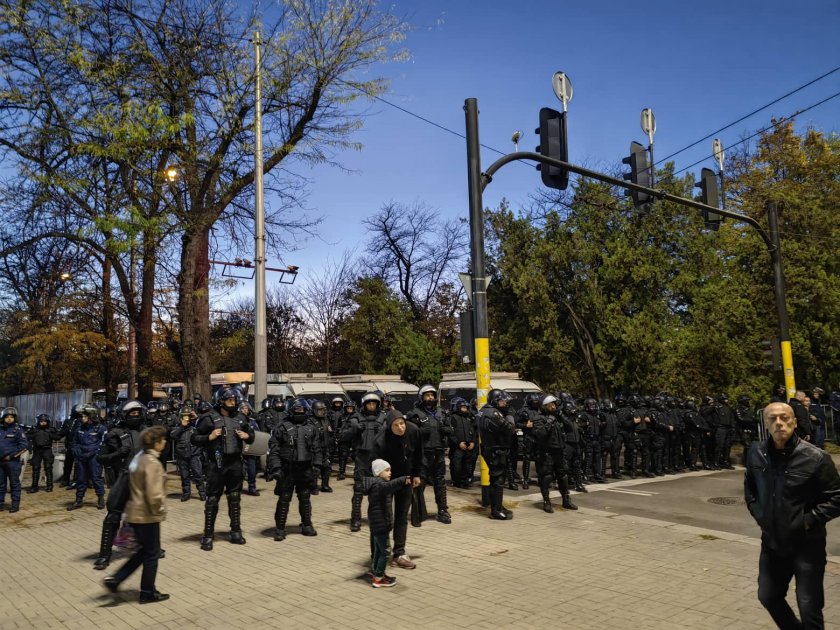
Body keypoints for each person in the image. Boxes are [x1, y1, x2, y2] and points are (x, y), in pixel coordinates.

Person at [744, 402, 840, 628]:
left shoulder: (816, 458)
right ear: (765, 423)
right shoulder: (756, 452)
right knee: (768, 596)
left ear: (794, 422)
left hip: (807, 545)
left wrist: (807, 521)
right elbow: (751, 488)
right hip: (772, 543)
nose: (779, 423)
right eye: (772, 419)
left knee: (809, 606)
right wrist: (761, 516)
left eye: (784, 418)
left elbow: (837, 497)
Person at [103, 425, 170, 604]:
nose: (165, 443)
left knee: (143, 551)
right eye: (163, 440)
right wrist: (160, 511)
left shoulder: (138, 458)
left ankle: (116, 579)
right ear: (156, 443)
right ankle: (147, 592)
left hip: (134, 512)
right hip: (147, 515)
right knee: (152, 554)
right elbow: (154, 494)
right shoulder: (153, 463)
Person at [191, 387, 255, 551]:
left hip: (235, 463)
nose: (233, 403)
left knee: (234, 498)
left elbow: (252, 435)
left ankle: (235, 532)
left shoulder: (241, 418)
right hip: (216, 464)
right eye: (230, 400)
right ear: (221, 401)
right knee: (212, 499)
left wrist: (247, 436)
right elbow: (194, 438)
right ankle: (207, 535)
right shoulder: (208, 419)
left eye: (235, 400)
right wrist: (209, 437)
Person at [93, 400, 146, 570]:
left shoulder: (146, 432)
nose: (136, 416)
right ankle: (104, 555)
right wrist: (118, 454)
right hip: (122, 479)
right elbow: (100, 457)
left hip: (143, 480)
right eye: (132, 413)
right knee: (113, 517)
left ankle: (150, 547)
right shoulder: (114, 434)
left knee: (147, 517)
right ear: (124, 415)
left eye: (138, 413)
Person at [370, 409, 423, 570]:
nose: (401, 428)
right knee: (384, 518)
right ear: (389, 426)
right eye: (396, 425)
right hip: (386, 481)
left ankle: (399, 553)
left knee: (402, 516)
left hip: (405, 479)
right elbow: (374, 465)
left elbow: (419, 454)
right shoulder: (381, 439)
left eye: (402, 423)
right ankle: (378, 553)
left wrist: (417, 475)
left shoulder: (413, 430)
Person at [405, 385, 453, 525]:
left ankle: (442, 510)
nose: (430, 397)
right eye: (427, 395)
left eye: (432, 395)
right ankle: (418, 512)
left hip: (438, 452)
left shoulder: (441, 412)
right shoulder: (414, 413)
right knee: (420, 483)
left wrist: (447, 430)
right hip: (422, 454)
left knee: (440, 483)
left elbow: (451, 428)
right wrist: (419, 431)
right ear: (421, 397)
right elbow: (408, 433)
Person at [343, 392, 386, 532]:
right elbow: (342, 435)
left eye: (374, 404)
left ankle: (378, 520)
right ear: (365, 405)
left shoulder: (383, 418)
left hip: (378, 459)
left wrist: (384, 431)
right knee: (358, 491)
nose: (372, 406)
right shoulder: (356, 417)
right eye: (369, 404)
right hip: (361, 457)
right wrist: (353, 429)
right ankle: (355, 519)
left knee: (378, 491)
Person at [366, 459, 410, 588]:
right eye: (387, 470)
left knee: (379, 552)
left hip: (377, 524)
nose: (390, 473)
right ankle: (378, 578)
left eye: (390, 470)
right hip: (380, 525)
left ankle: (378, 573)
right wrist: (403, 479)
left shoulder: (377, 484)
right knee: (385, 552)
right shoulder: (379, 485)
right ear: (379, 472)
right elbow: (390, 486)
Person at [533, 396, 578, 513]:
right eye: (550, 405)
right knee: (547, 476)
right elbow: (540, 433)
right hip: (547, 452)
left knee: (563, 476)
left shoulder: (557, 417)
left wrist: (561, 416)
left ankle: (566, 500)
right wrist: (549, 421)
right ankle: (546, 502)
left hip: (559, 450)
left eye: (554, 404)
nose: (553, 406)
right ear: (544, 406)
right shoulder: (538, 418)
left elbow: (570, 428)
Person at [477, 389, 516, 520]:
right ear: (495, 400)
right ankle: (496, 511)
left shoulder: (483, 410)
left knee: (495, 479)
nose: (505, 404)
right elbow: (510, 428)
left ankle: (497, 505)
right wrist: (509, 415)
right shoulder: (493, 413)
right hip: (496, 450)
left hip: (490, 448)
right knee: (498, 481)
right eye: (502, 401)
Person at [67, 405, 107, 511]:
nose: (82, 418)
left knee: (96, 478)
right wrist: (76, 451)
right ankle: (78, 500)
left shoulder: (100, 428)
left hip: (94, 457)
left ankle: (100, 499)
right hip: (81, 457)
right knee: (81, 479)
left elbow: (104, 443)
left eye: (84, 416)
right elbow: (74, 442)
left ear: (91, 416)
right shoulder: (79, 428)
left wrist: (98, 454)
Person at [169, 404, 206, 502]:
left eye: (188, 416)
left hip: (194, 455)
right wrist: (182, 426)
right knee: (184, 476)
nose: (186, 418)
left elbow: (205, 427)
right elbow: (172, 435)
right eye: (184, 416)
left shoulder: (195, 427)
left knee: (198, 474)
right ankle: (186, 493)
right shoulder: (177, 428)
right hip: (182, 456)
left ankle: (202, 493)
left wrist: (196, 417)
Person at [0, 407, 29, 513]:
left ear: (14, 418)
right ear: (3, 418)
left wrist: (12, 456)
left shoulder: (18, 430)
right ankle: (0, 503)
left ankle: (15, 505)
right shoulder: (0, 429)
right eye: (7, 417)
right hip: (0, 462)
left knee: (14, 484)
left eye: (11, 417)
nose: (9, 419)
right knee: (1, 484)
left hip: (12, 462)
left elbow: (24, 446)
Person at [26, 413, 60, 494]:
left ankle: (49, 486)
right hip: (37, 450)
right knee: (36, 468)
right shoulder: (34, 429)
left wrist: (50, 434)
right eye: (41, 421)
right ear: (38, 421)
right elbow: (27, 436)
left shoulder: (51, 429)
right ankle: (34, 486)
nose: (43, 423)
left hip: (47, 450)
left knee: (48, 468)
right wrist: (34, 433)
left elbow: (58, 437)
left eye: (45, 421)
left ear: (47, 422)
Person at [447, 397, 477, 489]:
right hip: (457, 447)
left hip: (468, 446)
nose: (465, 409)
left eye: (466, 407)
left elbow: (473, 431)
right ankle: (456, 482)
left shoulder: (469, 418)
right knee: (456, 466)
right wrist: (458, 443)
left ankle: (465, 481)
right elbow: (450, 433)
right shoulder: (452, 417)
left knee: (467, 465)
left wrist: (473, 442)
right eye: (463, 407)